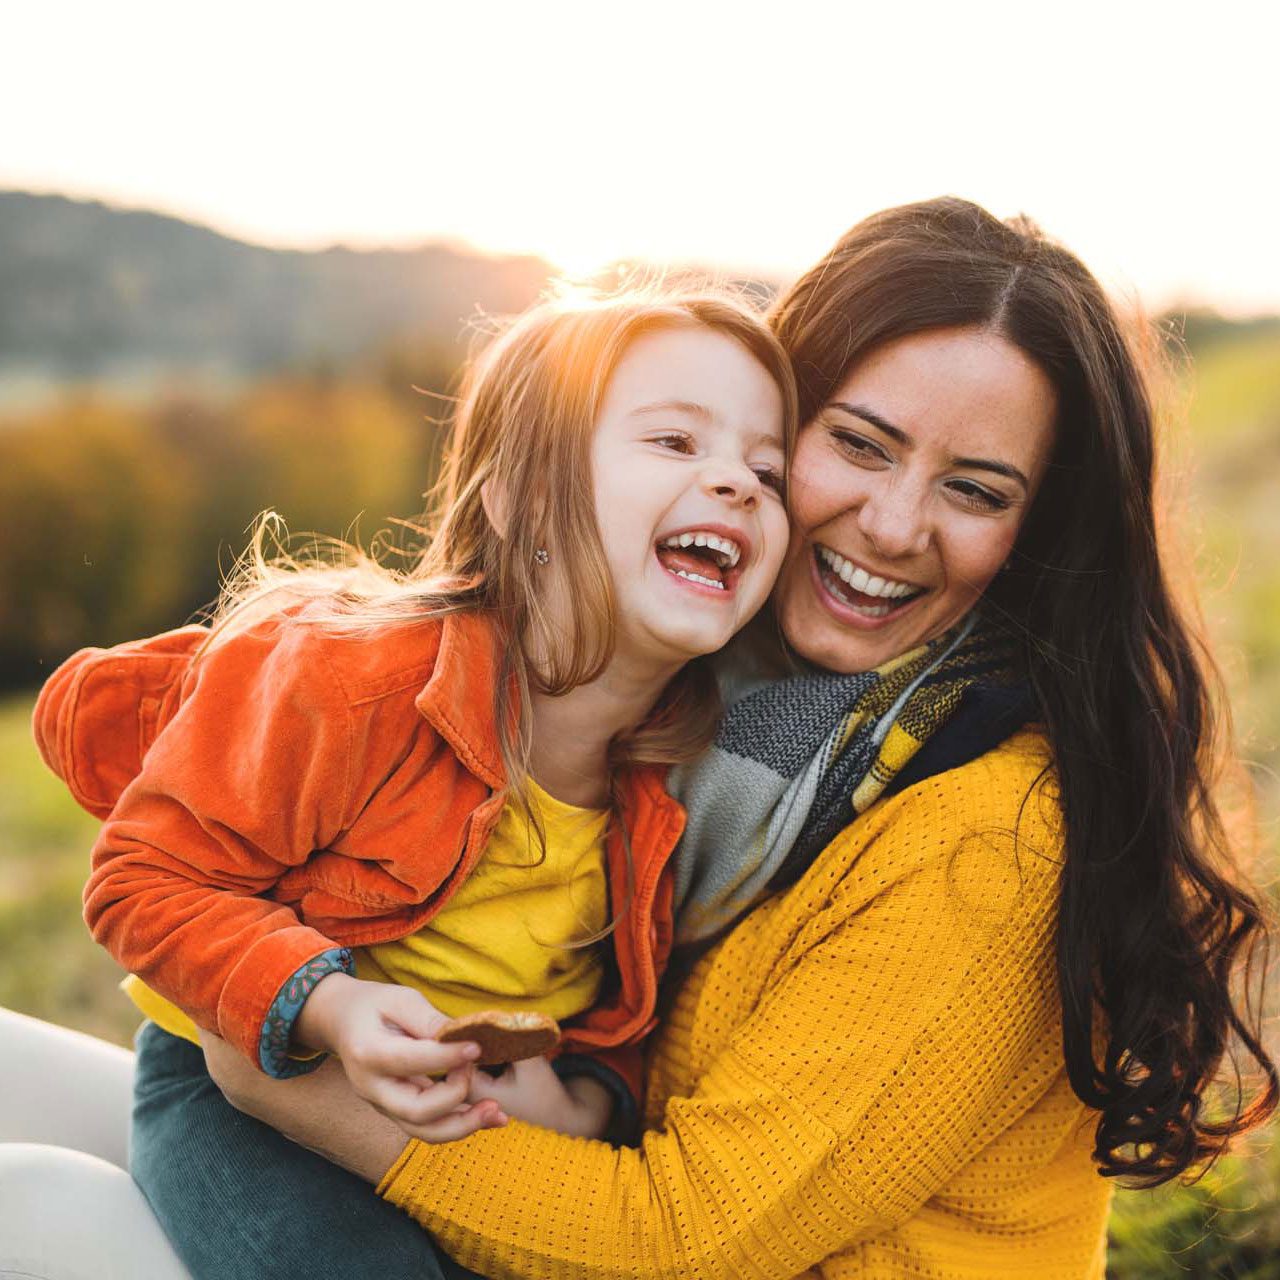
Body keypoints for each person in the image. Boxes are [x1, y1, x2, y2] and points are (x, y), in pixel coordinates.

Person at [196, 197, 1278, 1279]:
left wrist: (291, 1074)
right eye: (857, 443)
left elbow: (683, 1239)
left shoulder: (982, 839)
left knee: (44, 1198)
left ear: (1033, 535)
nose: (895, 526)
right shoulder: (694, 720)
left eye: (974, 490)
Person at [24, 284, 797, 1278]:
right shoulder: (348, 675)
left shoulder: (683, 773)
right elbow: (142, 878)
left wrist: (577, 1101)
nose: (736, 481)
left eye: (766, 469)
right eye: (675, 443)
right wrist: (328, 1006)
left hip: (459, 1131)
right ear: (518, 498)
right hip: (248, 1084)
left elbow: (617, 1012)